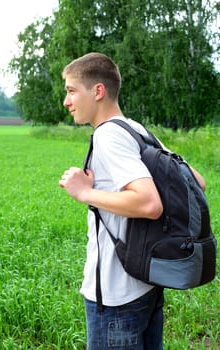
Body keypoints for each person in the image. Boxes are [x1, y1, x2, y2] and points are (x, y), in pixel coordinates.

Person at [59, 52, 205, 350]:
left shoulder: (108, 136)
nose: (67, 101)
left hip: (115, 297)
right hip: (145, 287)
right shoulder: (137, 130)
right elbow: (197, 182)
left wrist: (84, 193)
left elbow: (149, 204)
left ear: (97, 91)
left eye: (72, 90)